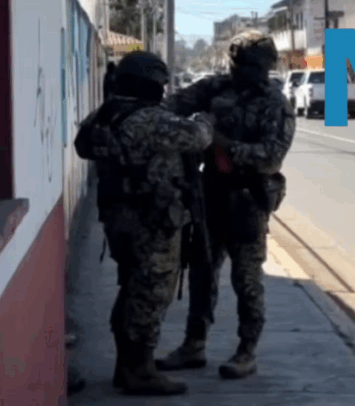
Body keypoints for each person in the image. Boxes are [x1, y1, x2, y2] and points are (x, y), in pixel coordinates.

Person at [155, 30, 295, 380]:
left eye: (252, 65)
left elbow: (270, 157)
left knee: (246, 279)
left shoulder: (275, 104)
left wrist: (221, 144)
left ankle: (246, 351)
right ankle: (194, 344)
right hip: (211, 194)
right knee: (201, 272)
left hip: (247, 199)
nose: (244, 71)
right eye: (240, 63)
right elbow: (171, 107)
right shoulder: (215, 88)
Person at [74, 51, 215, 396]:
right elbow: (198, 137)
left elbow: (83, 146)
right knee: (151, 294)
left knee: (132, 288)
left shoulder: (104, 115)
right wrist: (206, 118)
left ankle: (126, 366)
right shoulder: (150, 120)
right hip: (151, 222)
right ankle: (141, 371)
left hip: (117, 218)